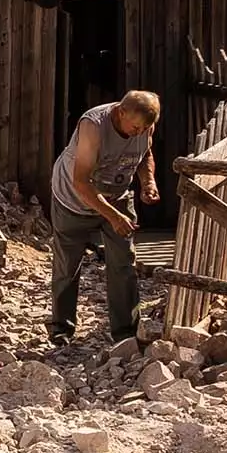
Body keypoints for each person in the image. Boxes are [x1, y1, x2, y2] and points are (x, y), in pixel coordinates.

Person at [47, 90, 162, 347]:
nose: (139, 132)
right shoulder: (93, 126)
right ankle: (61, 330)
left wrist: (148, 182)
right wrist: (113, 216)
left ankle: (125, 333)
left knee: (124, 264)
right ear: (120, 112)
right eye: (135, 127)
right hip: (74, 200)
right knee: (68, 265)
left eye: (145, 128)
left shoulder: (144, 125)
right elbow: (81, 181)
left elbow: (145, 155)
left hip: (117, 194)